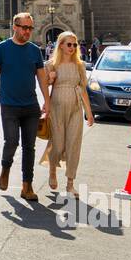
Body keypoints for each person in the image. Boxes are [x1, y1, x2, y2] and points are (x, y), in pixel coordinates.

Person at [0, 11, 52, 202]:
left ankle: (27, 186)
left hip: (31, 106)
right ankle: (5, 168)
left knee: (29, 147)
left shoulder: (34, 50)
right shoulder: (2, 48)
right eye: (24, 27)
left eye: (30, 28)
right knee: (12, 141)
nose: (27, 31)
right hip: (9, 105)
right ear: (14, 27)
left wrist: (47, 101)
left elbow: (41, 77)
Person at [43, 31, 94, 195]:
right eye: (69, 44)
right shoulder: (51, 64)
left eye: (75, 45)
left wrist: (89, 112)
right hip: (56, 108)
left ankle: (70, 183)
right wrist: (50, 79)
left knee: (73, 145)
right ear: (61, 45)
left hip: (75, 109)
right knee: (57, 144)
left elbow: (84, 90)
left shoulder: (80, 65)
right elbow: (45, 86)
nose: (72, 47)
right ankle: (52, 170)